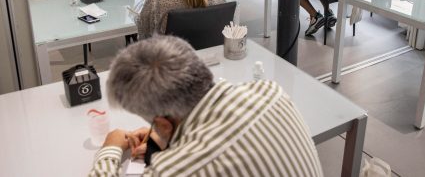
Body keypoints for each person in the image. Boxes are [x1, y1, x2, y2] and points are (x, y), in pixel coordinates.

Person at [88, 35, 324, 177]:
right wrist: (162, 137)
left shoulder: (172, 170)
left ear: (162, 124)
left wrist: (110, 148)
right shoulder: (271, 92)